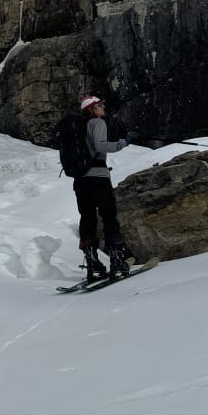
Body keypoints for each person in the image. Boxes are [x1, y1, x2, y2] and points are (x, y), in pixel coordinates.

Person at [74, 95, 130, 280]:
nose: (103, 108)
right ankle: (117, 259)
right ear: (93, 108)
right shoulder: (96, 123)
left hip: (80, 181)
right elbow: (100, 145)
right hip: (98, 178)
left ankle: (92, 262)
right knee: (108, 216)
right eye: (100, 105)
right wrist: (124, 142)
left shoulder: (76, 128)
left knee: (87, 218)